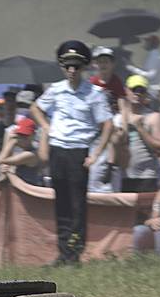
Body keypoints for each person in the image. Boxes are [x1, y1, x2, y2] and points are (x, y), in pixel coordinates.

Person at [31, 40, 113, 266]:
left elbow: (107, 124)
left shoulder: (95, 93)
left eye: (76, 66)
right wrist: (46, 128)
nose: (72, 71)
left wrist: (96, 154)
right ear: (62, 67)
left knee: (78, 204)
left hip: (79, 151)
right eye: (67, 66)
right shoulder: (56, 90)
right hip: (58, 150)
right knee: (62, 203)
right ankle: (63, 251)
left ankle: (75, 252)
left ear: (84, 67)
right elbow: (35, 108)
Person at [113, 74, 160, 192]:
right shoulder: (119, 118)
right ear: (126, 90)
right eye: (134, 89)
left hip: (146, 177)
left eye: (141, 90)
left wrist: (140, 128)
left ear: (146, 94)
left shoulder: (153, 117)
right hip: (124, 177)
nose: (138, 93)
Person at [0, 117, 43, 186]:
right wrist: (5, 169)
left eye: (25, 136)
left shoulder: (31, 154)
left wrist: (11, 141)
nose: (21, 139)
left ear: (33, 136)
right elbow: (4, 163)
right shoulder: (20, 150)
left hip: (28, 192)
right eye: (20, 135)